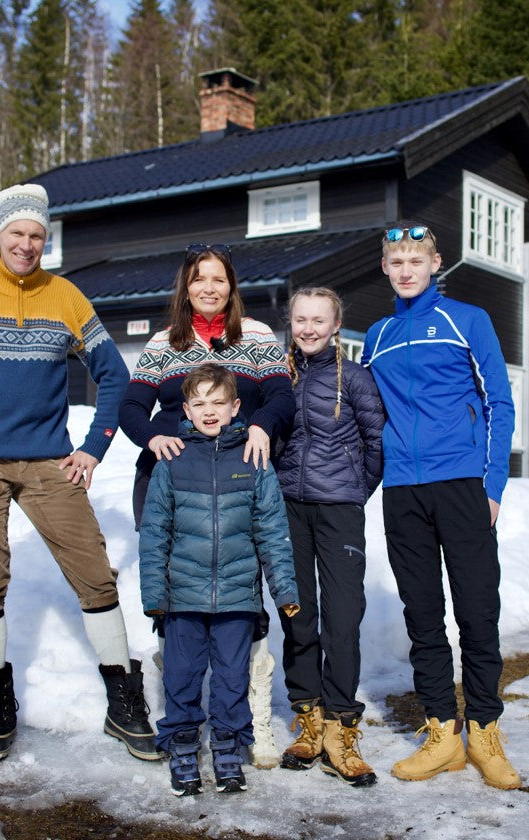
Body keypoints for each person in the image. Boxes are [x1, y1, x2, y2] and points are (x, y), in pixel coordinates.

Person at [0, 183, 158, 764]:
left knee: (94, 574)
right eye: (17, 233)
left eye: (36, 235)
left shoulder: (65, 296)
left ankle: (123, 703)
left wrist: (93, 448)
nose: (26, 244)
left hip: (49, 460)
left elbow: (115, 375)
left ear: (45, 240)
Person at [118, 243, 295, 768]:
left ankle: (248, 723)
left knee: (243, 607)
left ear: (231, 286)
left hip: (239, 483)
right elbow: (132, 406)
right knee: (179, 606)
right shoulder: (164, 343)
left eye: (218, 278)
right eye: (199, 279)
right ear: (186, 286)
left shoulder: (256, 336)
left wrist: (262, 425)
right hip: (173, 482)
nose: (209, 288)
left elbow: (281, 397)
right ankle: (181, 721)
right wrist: (152, 438)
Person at [360, 223, 521, 790]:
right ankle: (442, 734)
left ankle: (484, 730)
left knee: (477, 611)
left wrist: (492, 485)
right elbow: (365, 413)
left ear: (435, 264)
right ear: (385, 268)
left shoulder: (467, 320)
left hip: (462, 483)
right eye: (396, 261)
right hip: (403, 490)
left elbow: (499, 401)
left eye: (416, 260)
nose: (406, 270)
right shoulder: (377, 335)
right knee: (422, 615)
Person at [138, 364, 300, 796]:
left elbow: (272, 530)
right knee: (182, 675)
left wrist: (284, 589)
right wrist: (154, 594)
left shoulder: (253, 460)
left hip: (237, 597)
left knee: (232, 678)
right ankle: (183, 745)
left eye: (218, 402)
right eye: (199, 403)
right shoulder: (172, 462)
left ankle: (228, 744)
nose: (209, 411)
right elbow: (154, 534)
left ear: (235, 407)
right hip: (182, 598)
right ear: (186, 410)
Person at [275, 287, 384, 787]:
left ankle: (341, 728)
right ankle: (308, 719)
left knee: (342, 617)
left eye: (319, 320)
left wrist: (355, 491)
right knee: (297, 614)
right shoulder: (280, 374)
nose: (309, 328)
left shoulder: (356, 378)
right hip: (288, 508)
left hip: (340, 510)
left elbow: (376, 440)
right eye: (301, 319)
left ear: (336, 325)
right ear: (291, 321)